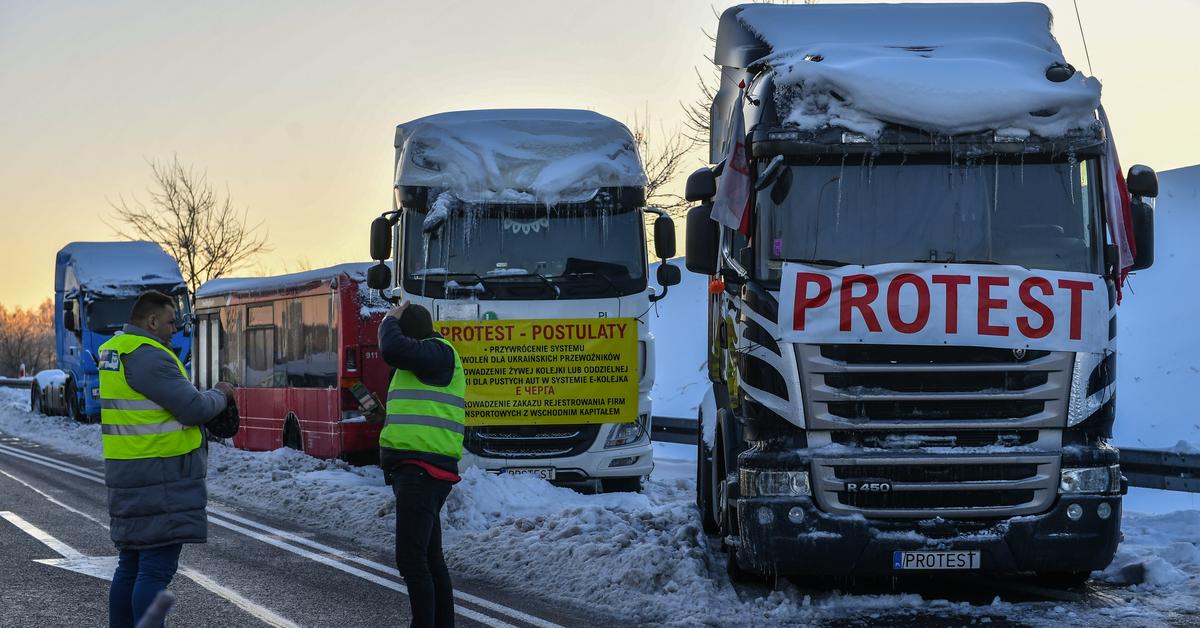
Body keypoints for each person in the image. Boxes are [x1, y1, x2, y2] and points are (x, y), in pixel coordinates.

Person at [98, 289, 235, 628]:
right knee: (155, 570)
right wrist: (222, 393)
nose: (177, 328)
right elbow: (193, 408)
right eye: (172, 322)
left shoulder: (116, 351)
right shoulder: (149, 356)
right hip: (160, 477)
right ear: (152, 320)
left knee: (130, 565)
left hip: (129, 473)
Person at [378, 301, 464, 628]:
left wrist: (389, 319)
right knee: (429, 558)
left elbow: (391, 347)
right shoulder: (423, 361)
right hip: (419, 470)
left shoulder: (437, 352)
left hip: (422, 471)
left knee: (412, 561)